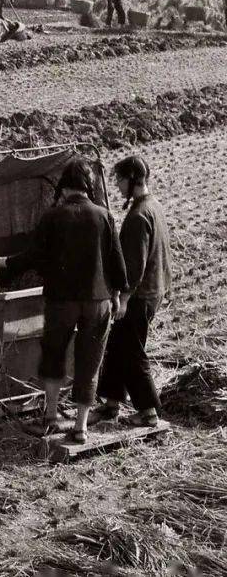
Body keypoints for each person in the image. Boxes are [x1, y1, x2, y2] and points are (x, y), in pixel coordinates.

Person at [0, 158, 127, 444]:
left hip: (62, 302)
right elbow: (117, 262)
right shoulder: (104, 215)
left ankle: (49, 418)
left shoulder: (53, 216)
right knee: (90, 360)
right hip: (97, 301)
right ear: (89, 187)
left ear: (64, 187)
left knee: (54, 355)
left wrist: (0, 263)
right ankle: (81, 427)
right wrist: (118, 296)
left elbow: (33, 258)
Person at [94, 155, 173, 429]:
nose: (117, 185)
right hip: (154, 290)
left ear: (132, 180)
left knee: (132, 350)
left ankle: (149, 411)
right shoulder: (153, 206)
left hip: (140, 295)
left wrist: (123, 298)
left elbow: (135, 265)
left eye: (120, 179)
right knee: (118, 344)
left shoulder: (139, 216)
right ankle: (111, 403)